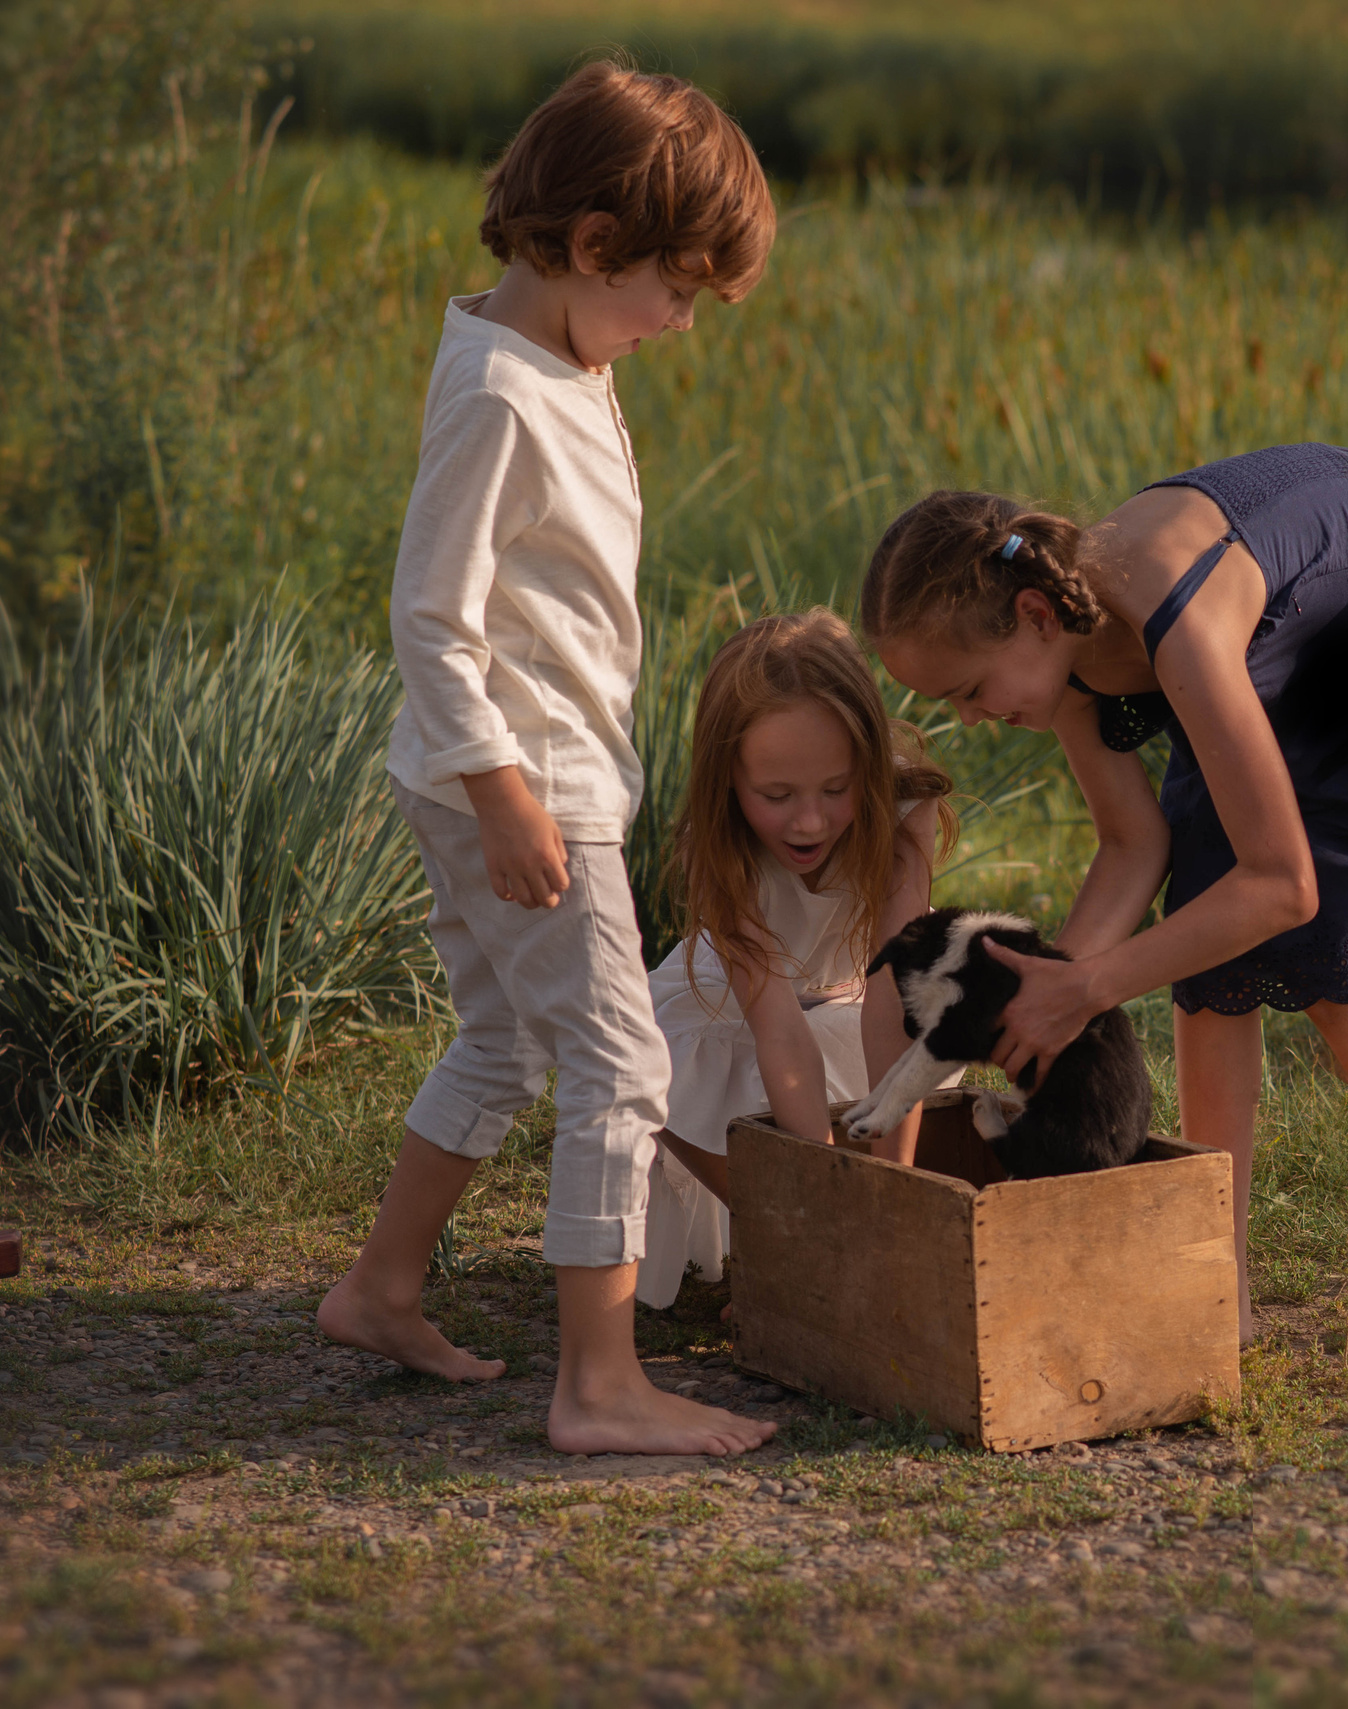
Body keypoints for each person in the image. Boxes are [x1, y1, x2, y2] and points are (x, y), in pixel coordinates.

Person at [859, 444, 1348, 1335]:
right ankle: (1213, 1275)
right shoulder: (1065, 640)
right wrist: (1052, 983)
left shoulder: (1168, 619)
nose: (969, 717)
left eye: (969, 690)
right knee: (1208, 940)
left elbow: (1283, 887)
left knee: (1328, 980)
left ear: (1033, 613)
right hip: (1292, 636)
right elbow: (1129, 842)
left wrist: (1090, 987)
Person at [319, 62, 780, 1456]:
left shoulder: (558, 355)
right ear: (589, 248)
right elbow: (430, 616)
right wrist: (508, 791)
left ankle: (379, 1289)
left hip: (520, 776)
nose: (680, 323)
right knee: (620, 1066)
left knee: (505, 1038)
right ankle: (600, 1383)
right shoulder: (506, 397)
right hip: (528, 789)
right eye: (676, 291)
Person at [635, 612, 951, 1311]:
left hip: (852, 993)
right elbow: (778, 1030)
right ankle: (785, 1236)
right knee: (655, 1057)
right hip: (736, 997)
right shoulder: (716, 845)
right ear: (730, 780)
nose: (808, 822)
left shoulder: (904, 811)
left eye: (835, 790)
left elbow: (891, 1002)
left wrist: (889, 1195)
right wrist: (826, 1217)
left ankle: (845, 1232)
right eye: (776, 797)